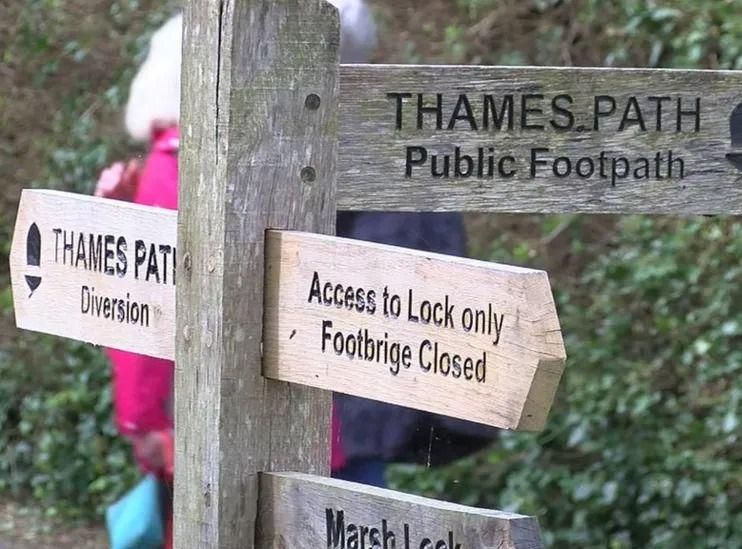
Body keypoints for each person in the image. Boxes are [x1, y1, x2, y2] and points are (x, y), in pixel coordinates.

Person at [97, 1, 495, 540]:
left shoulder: (185, 166)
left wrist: (143, 421)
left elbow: (146, 310)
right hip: (342, 418)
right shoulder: (329, 150)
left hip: (246, 425)